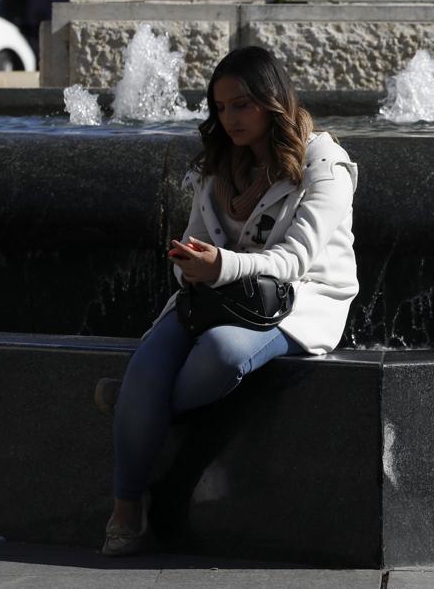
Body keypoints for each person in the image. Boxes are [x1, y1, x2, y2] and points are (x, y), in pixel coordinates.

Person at [96, 46, 359, 556]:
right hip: (214, 294)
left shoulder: (324, 164)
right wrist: (188, 262)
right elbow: (194, 241)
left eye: (241, 105)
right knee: (150, 362)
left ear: (272, 100)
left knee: (223, 353)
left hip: (295, 301)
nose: (229, 118)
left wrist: (221, 265)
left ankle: (136, 408)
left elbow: (293, 261)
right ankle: (127, 508)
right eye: (220, 107)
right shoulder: (220, 164)